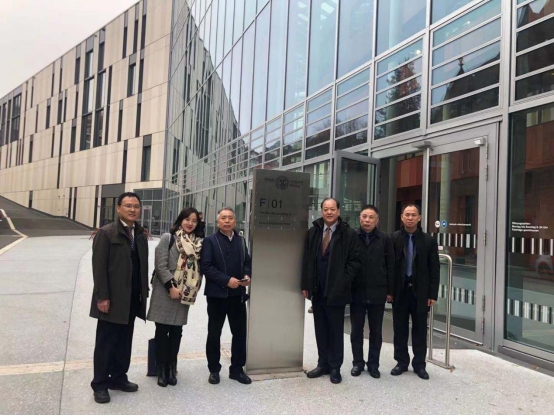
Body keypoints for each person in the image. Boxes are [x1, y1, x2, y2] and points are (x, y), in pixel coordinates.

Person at [90, 193, 150, 404]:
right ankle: (100, 384)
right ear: (118, 209)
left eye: (136, 206)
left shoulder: (140, 234)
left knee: (125, 341)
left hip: (132, 298)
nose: (132, 210)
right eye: (128, 206)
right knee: (106, 342)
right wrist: (102, 297)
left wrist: (143, 293)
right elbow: (99, 268)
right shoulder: (106, 233)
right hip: (112, 299)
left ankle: (118, 378)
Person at [302, 198, 361, 385]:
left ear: (338, 211)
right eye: (326, 209)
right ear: (322, 211)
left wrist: (343, 281)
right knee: (320, 329)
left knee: (335, 330)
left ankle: (335, 367)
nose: (329, 212)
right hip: (317, 290)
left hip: (337, 291)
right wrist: (306, 284)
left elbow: (355, 261)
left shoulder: (348, 234)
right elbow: (307, 260)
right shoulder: (313, 232)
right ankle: (323, 364)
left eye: (332, 209)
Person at [147, 207, 204, 388]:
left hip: (184, 293)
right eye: (187, 219)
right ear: (180, 220)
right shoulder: (168, 238)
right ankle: (161, 368)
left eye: (194, 220)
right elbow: (160, 265)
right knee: (162, 331)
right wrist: (171, 287)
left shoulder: (198, 243)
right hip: (165, 290)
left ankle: (172, 366)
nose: (190, 223)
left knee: (177, 332)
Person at [200, 207, 252, 386]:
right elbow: (206, 266)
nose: (227, 221)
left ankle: (237, 369)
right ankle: (214, 370)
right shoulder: (210, 241)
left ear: (235, 222)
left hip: (238, 295)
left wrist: (247, 276)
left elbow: (247, 262)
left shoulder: (240, 241)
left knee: (240, 333)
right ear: (217, 222)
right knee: (214, 333)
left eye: (230, 218)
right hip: (217, 296)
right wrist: (226, 280)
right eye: (223, 218)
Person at [391, 205, 440, 381]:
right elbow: (390, 267)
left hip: (421, 293)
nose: (410, 218)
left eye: (413, 215)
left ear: (419, 217)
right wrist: (389, 291)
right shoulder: (394, 238)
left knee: (420, 330)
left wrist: (432, 294)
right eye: (407, 215)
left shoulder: (428, 240)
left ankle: (419, 364)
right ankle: (401, 362)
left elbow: (434, 269)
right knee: (399, 328)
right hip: (400, 291)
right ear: (402, 217)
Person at [350, 205, 395, 379]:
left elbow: (390, 266)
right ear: (359, 218)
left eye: (371, 217)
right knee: (356, 330)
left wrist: (390, 291)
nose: (367, 220)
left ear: (377, 220)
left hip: (378, 292)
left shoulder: (385, 239)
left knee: (376, 331)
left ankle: (373, 365)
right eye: (364, 216)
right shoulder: (352, 237)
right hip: (357, 292)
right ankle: (357, 363)